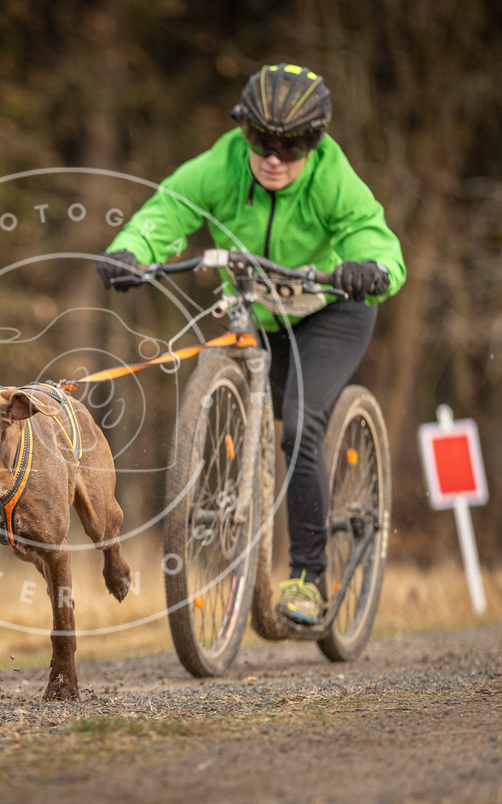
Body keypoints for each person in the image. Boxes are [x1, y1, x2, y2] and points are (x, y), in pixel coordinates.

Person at [96, 63, 405, 625]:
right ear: (244, 131)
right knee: (242, 384)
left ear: (316, 142)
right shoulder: (222, 165)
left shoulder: (333, 179)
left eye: (292, 146)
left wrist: (373, 268)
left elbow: (371, 234)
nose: (274, 157)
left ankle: (308, 578)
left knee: (301, 422)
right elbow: (167, 210)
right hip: (261, 316)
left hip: (331, 311)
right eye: (261, 140)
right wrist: (131, 251)